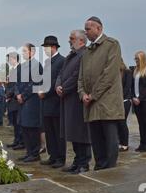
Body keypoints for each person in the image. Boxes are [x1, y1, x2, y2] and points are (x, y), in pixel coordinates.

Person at [78, 17, 124, 170]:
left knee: (109, 138)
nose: (86, 31)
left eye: (88, 28)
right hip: (90, 102)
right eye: (85, 29)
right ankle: (99, 167)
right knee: (96, 139)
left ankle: (109, 169)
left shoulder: (112, 45)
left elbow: (109, 74)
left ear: (99, 28)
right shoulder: (86, 52)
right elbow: (81, 77)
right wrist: (82, 94)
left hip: (106, 102)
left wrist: (93, 95)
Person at [57, 30, 91, 174]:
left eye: (72, 38)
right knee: (73, 133)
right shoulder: (70, 56)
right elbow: (61, 74)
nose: (69, 41)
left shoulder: (84, 55)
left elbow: (77, 75)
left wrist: (64, 88)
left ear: (81, 41)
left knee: (81, 133)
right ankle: (77, 161)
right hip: (67, 99)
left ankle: (84, 163)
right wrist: (57, 85)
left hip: (77, 100)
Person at [39, 36, 66, 169]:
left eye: (46, 48)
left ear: (54, 47)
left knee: (58, 132)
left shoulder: (61, 61)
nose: (45, 50)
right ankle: (52, 156)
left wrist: (45, 92)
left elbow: (57, 81)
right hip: (46, 103)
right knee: (49, 132)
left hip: (55, 102)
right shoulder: (47, 62)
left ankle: (60, 158)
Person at [16, 43, 43, 163]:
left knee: (32, 127)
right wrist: (17, 94)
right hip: (21, 100)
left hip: (32, 101)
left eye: (25, 51)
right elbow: (16, 82)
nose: (23, 54)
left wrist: (23, 96)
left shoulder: (37, 65)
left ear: (32, 52)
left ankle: (35, 153)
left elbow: (35, 83)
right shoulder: (21, 66)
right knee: (24, 127)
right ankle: (28, 151)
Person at [6, 52, 24, 150]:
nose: (8, 61)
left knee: (18, 122)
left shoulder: (19, 69)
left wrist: (9, 95)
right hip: (11, 99)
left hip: (16, 99)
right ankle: (16, 140)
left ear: (14, 59)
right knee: (14, 122)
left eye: (9, 59)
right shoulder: (12, 70)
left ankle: (21, 141)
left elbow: (16, 85)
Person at [117, 60, 133, 152]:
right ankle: (120, 141)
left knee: (122, 122)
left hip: (125, 100)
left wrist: (120, 96)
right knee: (118, 122)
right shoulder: (115, 72)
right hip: (116, 101)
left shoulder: (127, 72)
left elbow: (127, 87)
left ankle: (125, 143)